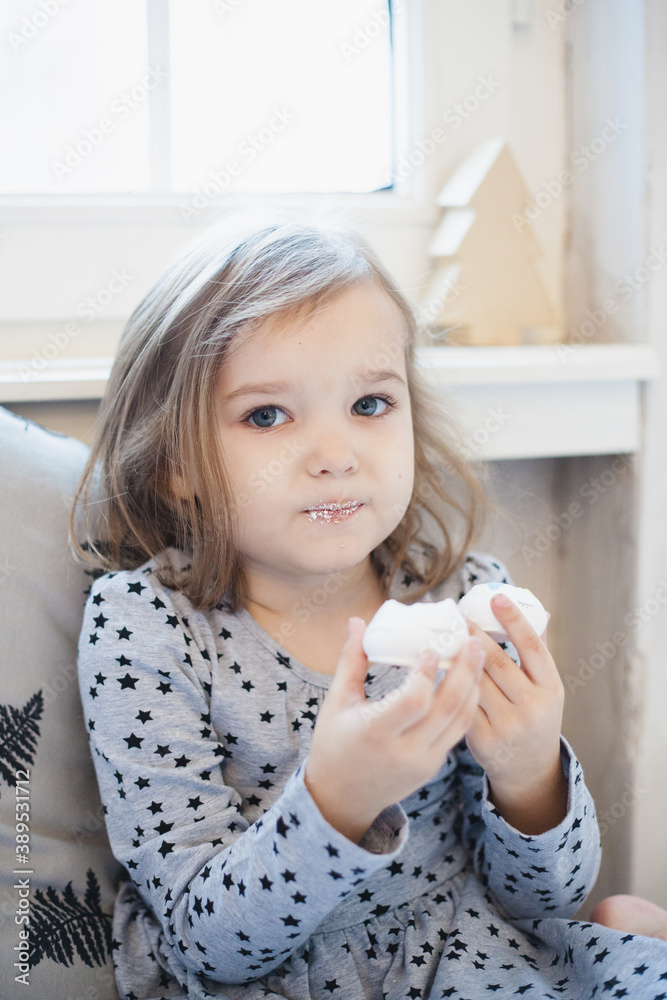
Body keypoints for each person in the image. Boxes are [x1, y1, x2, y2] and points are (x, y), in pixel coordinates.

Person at [72, 219, 667, 1000]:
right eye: (266, 416)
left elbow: (543, 900)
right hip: (286, 978)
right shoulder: (147, 627)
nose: (334, 453)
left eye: (370, 403)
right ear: (177, 465)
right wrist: (335, 801)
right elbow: (203, 942)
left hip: (474, 958)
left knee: (629, 923)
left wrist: (530, 777)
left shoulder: (465, 597)